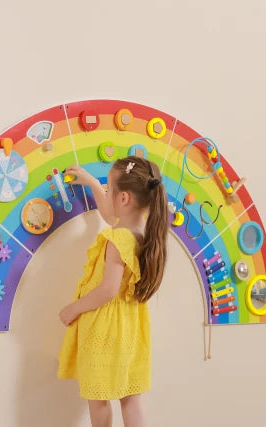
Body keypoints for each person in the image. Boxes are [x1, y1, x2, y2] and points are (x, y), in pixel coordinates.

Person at [57, 156, 169, 427]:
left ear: (125, 199)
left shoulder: (117, 239)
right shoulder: (141, 233)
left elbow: (108, 290)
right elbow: (109, 214)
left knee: (98, 399)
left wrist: (73, 308)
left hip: (105, 330)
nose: (106, 192)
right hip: (130, 327)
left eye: (110, 188)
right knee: (131, 397)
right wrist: (95, 184)